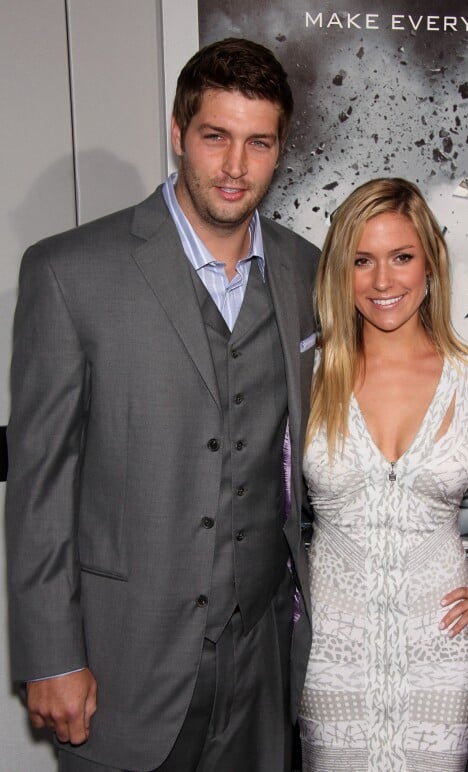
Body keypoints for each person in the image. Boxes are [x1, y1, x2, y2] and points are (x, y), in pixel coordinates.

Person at [5, 38, 319, 772]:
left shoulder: (308, 270)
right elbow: (40, 483)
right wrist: (50, 654)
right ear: (178, 134)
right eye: (215, 137)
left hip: (265, 666)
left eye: (258, 143)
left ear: (280, 151)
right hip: (123, 667)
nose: (236, 167)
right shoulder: (67, 272)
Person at [297, 178, 468, 771]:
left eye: (401, 257)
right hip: (331, 656)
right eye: (361, 261)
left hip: (440, 655)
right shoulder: (310, 374)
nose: (382, 281)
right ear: (340, 273)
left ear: (429, 263)